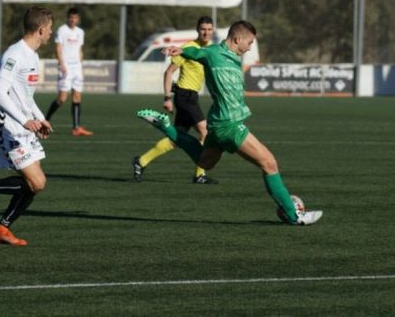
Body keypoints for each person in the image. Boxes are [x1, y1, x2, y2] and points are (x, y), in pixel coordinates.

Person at [137, 21, 322, 225]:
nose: (250, 47)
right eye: (249, 42)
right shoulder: (214, 53)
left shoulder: (235, 59)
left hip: (217, 123)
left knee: (204, 162)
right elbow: (197, 53)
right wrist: (180, 50)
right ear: (237, 39)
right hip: (230, 124)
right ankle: (295, 216)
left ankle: (166, 127)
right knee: (269, 163)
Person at [0, 6, 54, 246]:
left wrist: (39, 117)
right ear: (40, 29)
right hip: (7, 127)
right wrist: (26, 121)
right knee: (37, 183)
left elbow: (25, 96)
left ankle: (1, 230)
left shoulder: (32, 56)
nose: (51, 35)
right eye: (49, 30)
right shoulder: (15, 55)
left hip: (24, 127)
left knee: (35, 185)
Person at [133, 16, 217, 184]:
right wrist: (167, 97)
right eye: (203, 29)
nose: (206, 32)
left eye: (209, 29)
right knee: (205, 132)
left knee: (176, 139)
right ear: (197, 30)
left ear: (213, 30)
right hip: (184, 96)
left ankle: (141, 161)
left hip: (192, 97)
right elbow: (169, 72)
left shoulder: (210, 49)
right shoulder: (187, 48)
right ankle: (200, 174)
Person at [45, 7, 93, 136]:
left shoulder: (80, 32)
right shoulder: (62, 31)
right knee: (62, 99)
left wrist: (80, 66)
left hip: (76, 67)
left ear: (78, 19)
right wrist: (61, 64)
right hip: (66, 67)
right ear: (68, 18)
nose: (73, 20)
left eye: (75, 18)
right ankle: (45, 120)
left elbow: (80, 50)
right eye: (71, 17)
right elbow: (58, 48)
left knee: (77, 96)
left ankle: (76, 128)